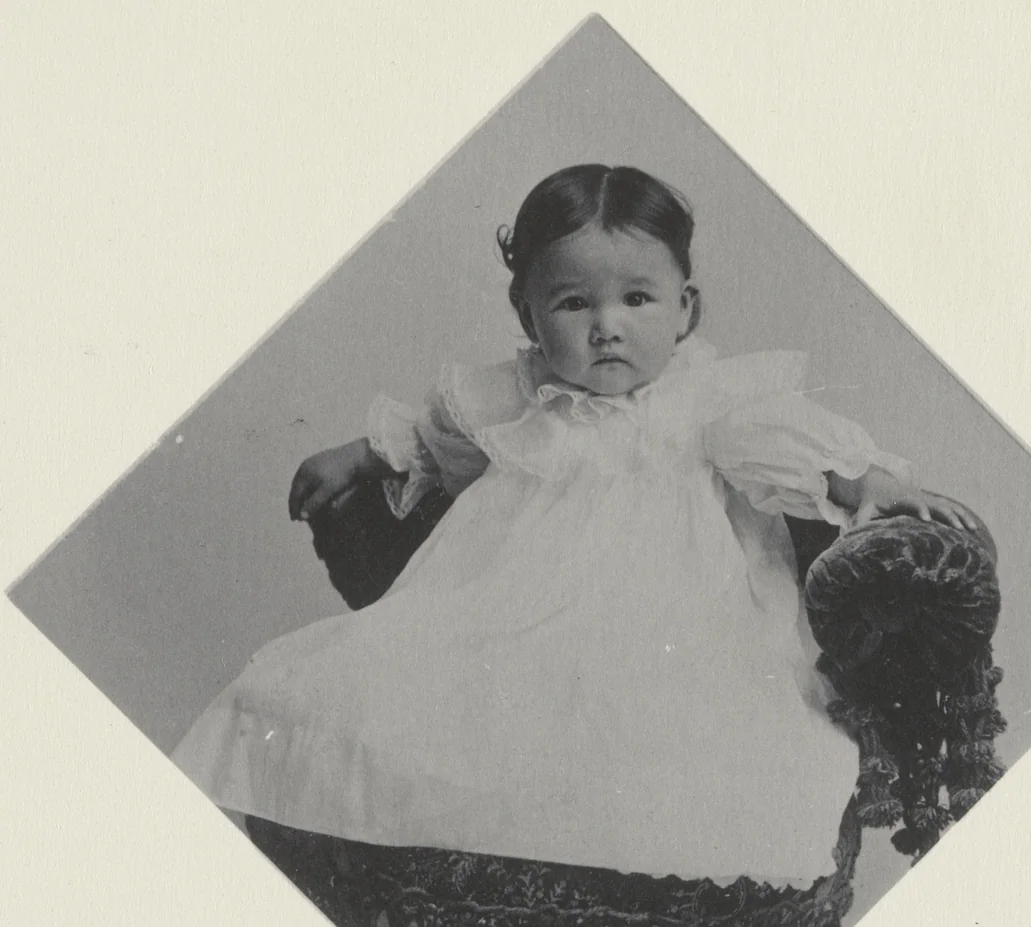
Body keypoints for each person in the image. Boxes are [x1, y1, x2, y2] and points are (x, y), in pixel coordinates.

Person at [172, 164, 976, 886]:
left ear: (685, 309)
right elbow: (428, 434)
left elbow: (799, 451)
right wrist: (358, 456)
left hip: (671, 620)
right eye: (571, 302)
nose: (605, 326)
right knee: (388, 692)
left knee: (653, 728)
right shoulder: (517, 396)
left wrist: (871, 481)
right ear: (526, 314)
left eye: (636, 298)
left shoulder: (710, 404)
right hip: (496, 609)